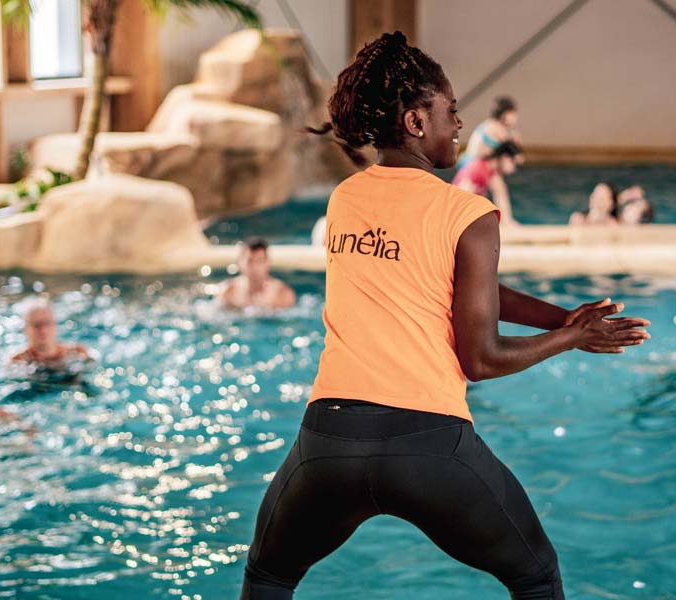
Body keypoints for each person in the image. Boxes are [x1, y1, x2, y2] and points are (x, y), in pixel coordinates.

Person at [244, 31, 651, 600]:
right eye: (451, 111)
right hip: (428, 447)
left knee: (268, 577)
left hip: (327, 445)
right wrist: (572, 338)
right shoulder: (468, 212)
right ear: (415, 121)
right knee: (535, 576)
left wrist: (562, 317)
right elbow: (479, 359)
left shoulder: (346, 200)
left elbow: (447, 280)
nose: (459, 125)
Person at [214, 237, 297, 310]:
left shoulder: (282, 295)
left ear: (268, 263)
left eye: (260, 261)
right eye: (250, 261)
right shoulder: (227, 292)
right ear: (240, 262)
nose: (255, 267)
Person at [11, 301, 94, 371]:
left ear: (55, 325)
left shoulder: (77, 352)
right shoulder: (18, 361)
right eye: (37, 325)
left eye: (47, 323)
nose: (43, 330)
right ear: (25, 330)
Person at [453, 141, 522, 225]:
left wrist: (507, 221)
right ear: (505, 158)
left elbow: (501, 193)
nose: (514, 169)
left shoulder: (490, 171)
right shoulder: (478, 168)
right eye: (513, 163)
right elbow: (460, 195)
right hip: (458, 216)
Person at [457, 95, 523, 169]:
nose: (516, 117)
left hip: (468, 163)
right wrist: (515, 144)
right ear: (505, 114)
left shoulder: (489, 123)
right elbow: (518, 158)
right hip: (473, 166)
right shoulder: (497, 127)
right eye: (513, 114)